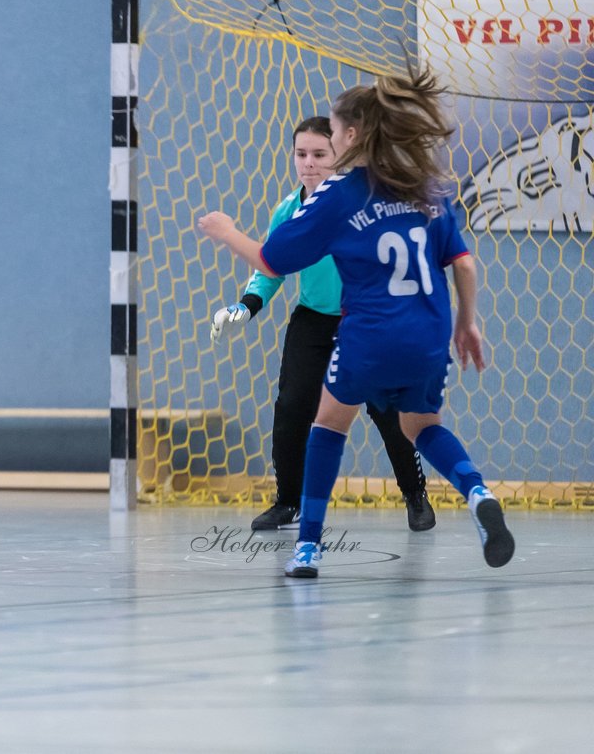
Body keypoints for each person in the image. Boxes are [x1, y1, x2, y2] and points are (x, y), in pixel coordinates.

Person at [197, 67, 515, 577]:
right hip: (431, 331)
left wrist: (227, 230)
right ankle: (477, 491)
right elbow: (466, 263)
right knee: (423, 426)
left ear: (350, 135)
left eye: (334, 135)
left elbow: (270, 261)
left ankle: (307, 549)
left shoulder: (338, 195)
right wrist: (468, 324)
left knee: (327, 425)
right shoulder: (428, 186)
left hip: (368, 334)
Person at [210, 117, 435, 533]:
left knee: (387, 410)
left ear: (340, 156)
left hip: (366, 320)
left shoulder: (362, 205)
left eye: (319, 154)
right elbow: (270, 266)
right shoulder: (287, 210)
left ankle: (415, 494)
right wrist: (247, 305)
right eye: (301, 155)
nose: (308, 163)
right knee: (292, 407)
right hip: (313, 321)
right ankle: (287, 501)